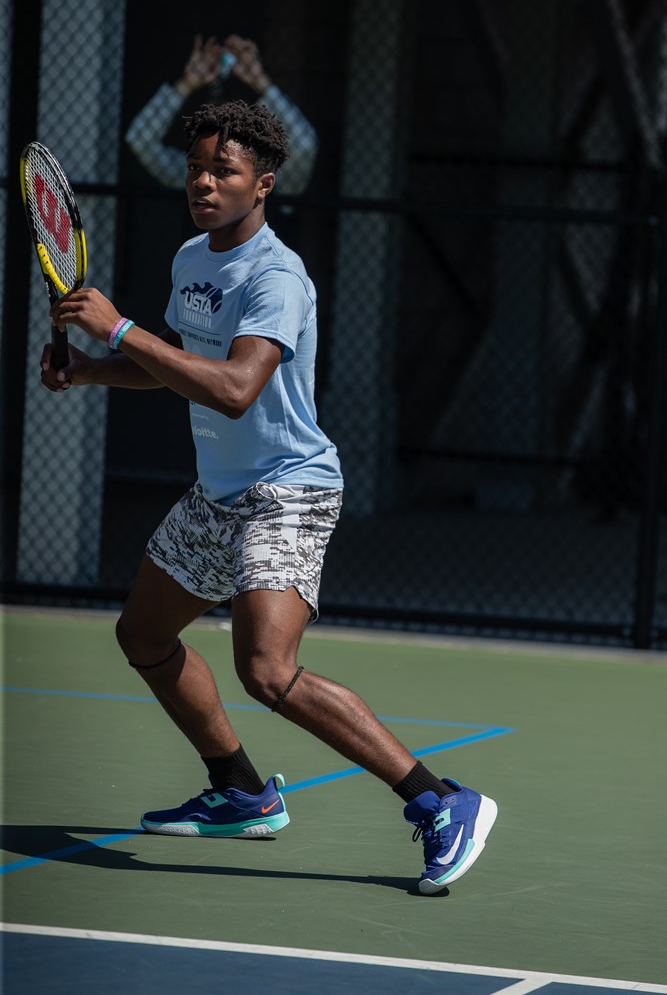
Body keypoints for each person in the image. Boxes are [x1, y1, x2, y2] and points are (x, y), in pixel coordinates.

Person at [41, 101, 497, 896]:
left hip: (288, 491)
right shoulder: (193, 258)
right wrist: (90, 370)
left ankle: (439, 801)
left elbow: (234, 387)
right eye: (195, 169)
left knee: (266, 669)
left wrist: (117, 330)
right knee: (142, 635)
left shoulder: (275, 277)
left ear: (263, 184)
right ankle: (241, 791)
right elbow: (177, 361)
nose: (203, 183)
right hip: (217, 493)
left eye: (223, 171)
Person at [125, 33, 318, 196]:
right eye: (213, 119)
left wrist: (261, 82)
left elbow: (305, 146)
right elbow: (139, 140)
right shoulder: (191, 173)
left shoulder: (271, 178)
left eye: (234, 118)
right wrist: (186, 85)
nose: (223, 127)